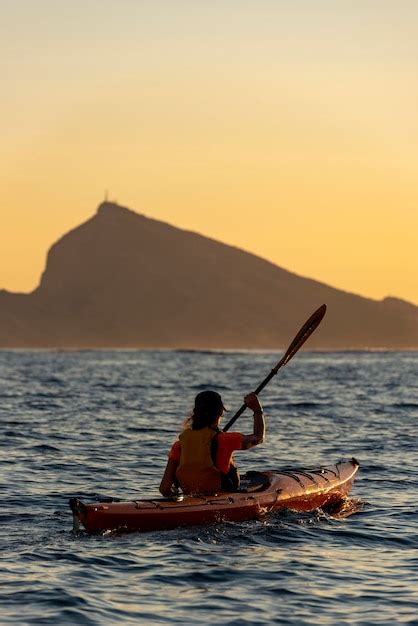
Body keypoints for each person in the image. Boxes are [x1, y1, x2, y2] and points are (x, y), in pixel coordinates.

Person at [159, 390, 265, 496]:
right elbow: (258, 438)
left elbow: (164, 489)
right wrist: (257, 409)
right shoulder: (224, 439)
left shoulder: (179, 445)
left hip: (190, 498)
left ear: (195, 413)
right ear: (220, 413)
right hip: (221, 497)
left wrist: (177, 497)